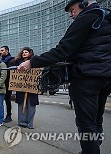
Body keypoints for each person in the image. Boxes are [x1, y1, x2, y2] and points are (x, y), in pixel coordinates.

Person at [18, 0, 111, 154]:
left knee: (86, 124)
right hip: (106, 77)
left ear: (83, 3)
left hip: (86, 77)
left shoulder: (87, 17)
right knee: (96, 119)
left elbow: (62, 51)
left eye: (72, 10)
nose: (71, 15)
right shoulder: (106, 17)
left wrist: (31, 62)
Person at [14, 47, 39, 129]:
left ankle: (30, 123)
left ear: (30, 53)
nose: (24, 53)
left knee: (31, 106)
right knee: (21, 105)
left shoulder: (35, 62)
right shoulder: (17, 62)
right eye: (23, 52)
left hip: (32, 88)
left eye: (26, 52)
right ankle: (22, 122)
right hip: (21, 88)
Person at [0, 46, 14, 123]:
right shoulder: (0, 60)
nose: (0, 52)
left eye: (2, 50)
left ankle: (9, 116)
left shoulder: (11, 60)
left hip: (8, 82)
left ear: (7, 51)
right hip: (2, 82)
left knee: (7, 100)